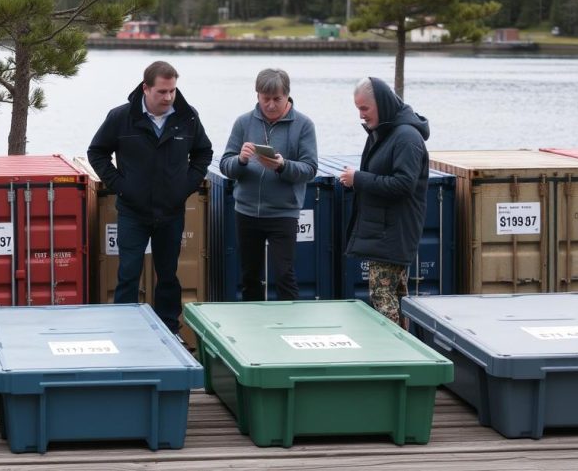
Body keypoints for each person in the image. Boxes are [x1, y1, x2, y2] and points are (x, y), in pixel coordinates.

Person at [87, 61, 213, 335]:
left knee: (168, 276)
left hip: (171, 212)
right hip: (133, 212)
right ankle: (125, 331)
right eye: (162, 91)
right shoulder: (121, 117)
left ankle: (170, 331)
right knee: (128, 274)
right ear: (146, 88)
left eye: (172, 91)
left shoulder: (187, 117)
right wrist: (121, 185)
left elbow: (203, 152)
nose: (168, 97)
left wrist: (186, 186)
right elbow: (96, 152)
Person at [218, 68, 317, 301]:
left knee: (284, 275)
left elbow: (310, 169)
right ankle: (252, 328)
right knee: (249, 276)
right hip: (247, 211)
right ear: (257, 96)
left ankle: (290, 326)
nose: (270, 105)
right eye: (265, 99)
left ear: (287, 96)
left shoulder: (303, 125)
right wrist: (240, 160)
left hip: (284, 213)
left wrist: (282, 166)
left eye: (277, 99)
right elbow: (224, 165)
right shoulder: (243, 122)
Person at [339, 77, 430, 326]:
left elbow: (403, 185)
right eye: (358, 109)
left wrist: (358, 179)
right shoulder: (386, 132)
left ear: (380, 103)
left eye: (364, 108)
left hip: (393, 234)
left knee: (382, 297)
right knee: (398, 298)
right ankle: (407, 353)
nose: (361, 115)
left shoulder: (406, 138)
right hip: (385, 231)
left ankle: (391, 350)